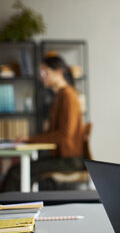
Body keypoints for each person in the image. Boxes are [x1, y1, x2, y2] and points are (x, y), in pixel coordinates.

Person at [0, 54, 85, 192]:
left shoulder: (68, 95)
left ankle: (6, 208)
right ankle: (18, 206)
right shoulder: (61, 95)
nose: (41, 76)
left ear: (58, 72)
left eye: (44, 72)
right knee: (20, 171)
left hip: (70, 160)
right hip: (63, 157)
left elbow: (64, 134)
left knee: (16, 172)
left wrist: (30, 139)